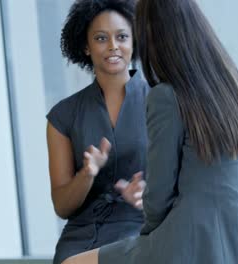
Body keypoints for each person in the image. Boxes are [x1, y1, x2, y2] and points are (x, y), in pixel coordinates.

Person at [63, 0, 238, 263]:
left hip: (191, 241)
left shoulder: (166, 97)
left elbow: (158, 200)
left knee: (73, 262)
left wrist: (149, 239)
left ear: (153, 39)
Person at [46, 0, 149, 263]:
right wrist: (87, 174)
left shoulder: (161, 102)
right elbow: (62, 206)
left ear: (134, 41)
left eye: (122, 37)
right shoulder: (63, 115)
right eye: (101, 38)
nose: (113, 46)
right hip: (82, 234)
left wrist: (149, 193)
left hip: (143, 227)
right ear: (86, 47)